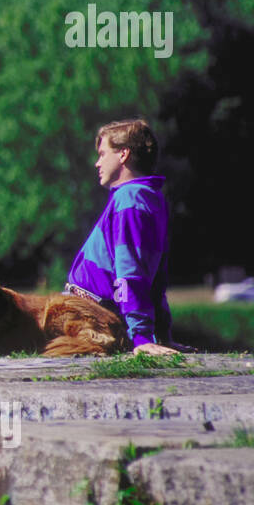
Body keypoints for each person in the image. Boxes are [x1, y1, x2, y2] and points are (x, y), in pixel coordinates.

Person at [66, 119, 181, 356]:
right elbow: (157, 277)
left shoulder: (128, 200)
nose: (97, 163)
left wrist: (141, 338)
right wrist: (163, 335)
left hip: (87, 319)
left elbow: (130, 271)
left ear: (123, 155)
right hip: (97, 315)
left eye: (102, 154)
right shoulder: (152, 198)